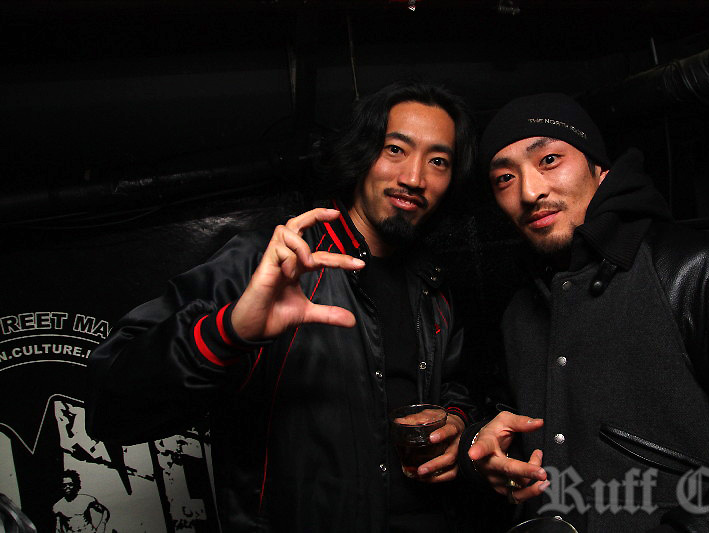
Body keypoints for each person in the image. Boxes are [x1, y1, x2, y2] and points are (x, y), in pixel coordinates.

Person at [86, 81, 478, 532]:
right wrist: (228, 332)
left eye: (438, 161)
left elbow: (452, 385)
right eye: (395, 149)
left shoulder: (432, 285)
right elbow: (109, 405)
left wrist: (455, 422)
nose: (414, 177)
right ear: (362, 153)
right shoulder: (272, 263)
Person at [457, 93, 709, 532]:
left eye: (549, 160)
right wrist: (482, 448)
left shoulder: (696, 272)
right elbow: (519, 413)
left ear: (599, 169)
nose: (529, 191)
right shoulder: (520, 309)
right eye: (505, 178)